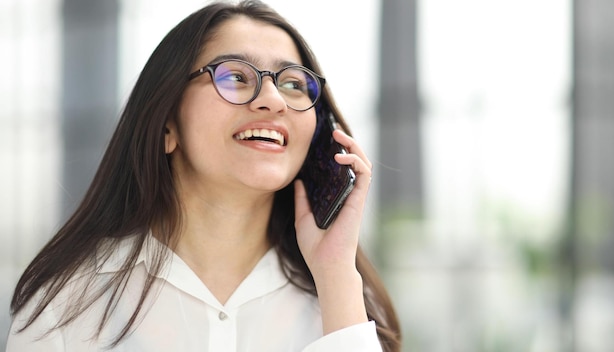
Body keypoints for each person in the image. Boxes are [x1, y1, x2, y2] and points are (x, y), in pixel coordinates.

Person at [7, 1, 401, 351]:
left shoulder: (346, 299)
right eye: (235, 77)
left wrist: (335, 277)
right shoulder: (67, 306)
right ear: (166, 126)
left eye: (294, 84)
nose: (273, 100)